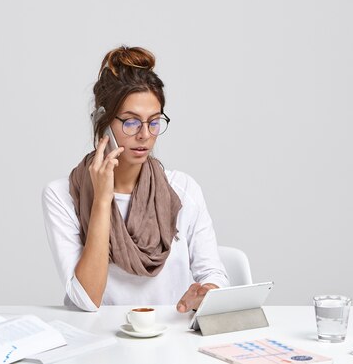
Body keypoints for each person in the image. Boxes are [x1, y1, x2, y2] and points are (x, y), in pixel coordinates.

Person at [42, 45, 229, 313]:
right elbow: (86, 300)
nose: (144, 135)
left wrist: (208, 291)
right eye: (131, 122)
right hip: (98, 343)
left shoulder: (182, 189)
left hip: (170, 339)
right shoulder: (62, 195)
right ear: (103, 122)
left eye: (154, 122)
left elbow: (214, 274)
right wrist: (102, 200)